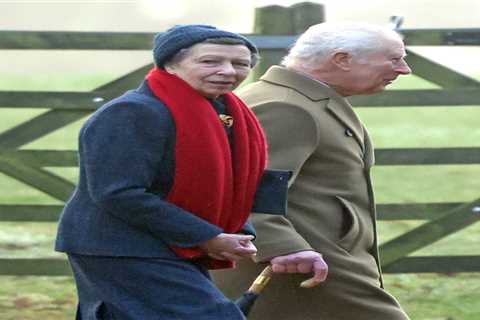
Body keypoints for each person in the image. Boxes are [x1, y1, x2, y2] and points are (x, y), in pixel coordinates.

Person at [55, 24, 268, 319]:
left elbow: (236, 185)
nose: (228, 71)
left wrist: (239, 232)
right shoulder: (132, 112)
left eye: (240, 64)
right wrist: (207, 237)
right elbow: (118, 192)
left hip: (170, 243)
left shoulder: (227, 115)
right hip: (120, 245)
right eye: (210, 61)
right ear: (170, 64)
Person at [212, 22, 412, 320]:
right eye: (394, 59)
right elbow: (240, 190)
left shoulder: (300, 98)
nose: (404, 69)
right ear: (342, 59)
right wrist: (285, 248)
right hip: (302, 268)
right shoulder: (287, 107)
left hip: (318, 261)